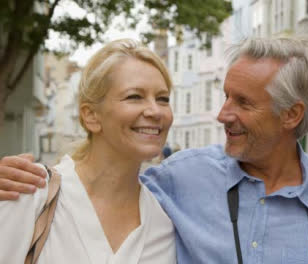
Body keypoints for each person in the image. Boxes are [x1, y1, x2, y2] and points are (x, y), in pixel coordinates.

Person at [0, 37, 308, 263]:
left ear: (291, 115)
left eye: (243, 102)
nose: (222, 114)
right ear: (90, 115)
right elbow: (100, 175)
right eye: (226, 95)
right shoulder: (179, 179)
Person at [0, 39, 176, 263]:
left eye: (163, 99)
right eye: (135, 96)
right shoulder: (30, 192)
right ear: (91, 116)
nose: (155, 110)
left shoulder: (164, 223)